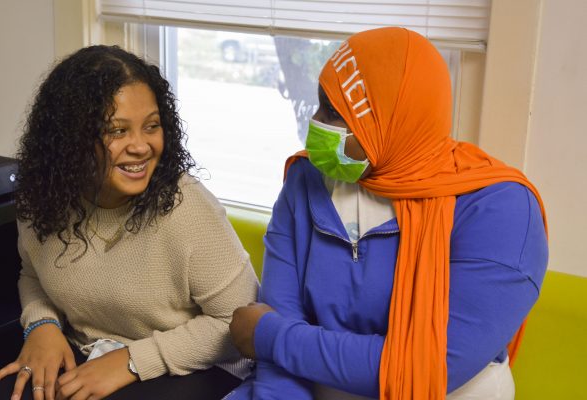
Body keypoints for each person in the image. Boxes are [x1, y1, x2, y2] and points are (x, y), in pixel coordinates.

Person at [228, 27, 548, 400]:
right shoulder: (305, 178)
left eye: (334, 112)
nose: (315, 123)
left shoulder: (501, 210)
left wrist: (269, 336)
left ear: (392, 118)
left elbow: (424, 369)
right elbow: (279, 340)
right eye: (320, 103)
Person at [0, 45, 258, 400]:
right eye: (117, 131)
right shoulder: (40, 197)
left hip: (200, 365)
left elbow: (238, 323)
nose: (141, 146)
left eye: (151, 126)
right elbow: (34, 274)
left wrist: (132, 361)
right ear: (70, 138)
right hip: (89, 353)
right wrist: (41, 325)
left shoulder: (187, 207)